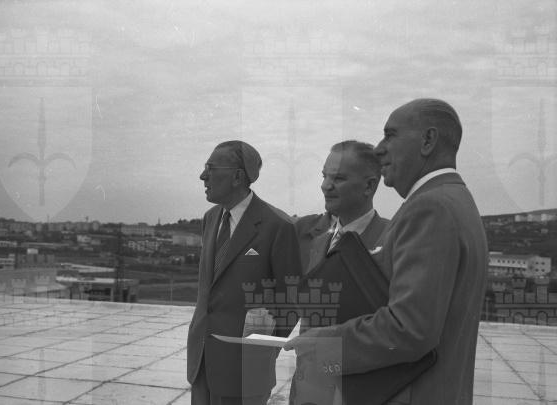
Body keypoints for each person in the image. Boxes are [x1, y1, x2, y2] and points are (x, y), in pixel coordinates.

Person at [286, 98, 488, 405]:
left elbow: (409, 329)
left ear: (428, 140)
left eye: (390, 135)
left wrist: (324, 344)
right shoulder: (455, 199)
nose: (379, 149)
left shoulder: (430, 207)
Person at [187, 140, 302, 405]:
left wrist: (260, 354)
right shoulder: (211, 218)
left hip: (245, 369)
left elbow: (291, 301)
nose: (203, 176)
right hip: (201, 362)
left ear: (238, 176)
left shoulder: (278, 226)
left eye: (211, 168)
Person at [290, 141, 389, 404]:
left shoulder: (393, 239)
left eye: (339, 178)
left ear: (369, 186)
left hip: (363, 391)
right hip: (309, 390)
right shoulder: (317, 241)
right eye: (325, 176)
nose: (325, 185)